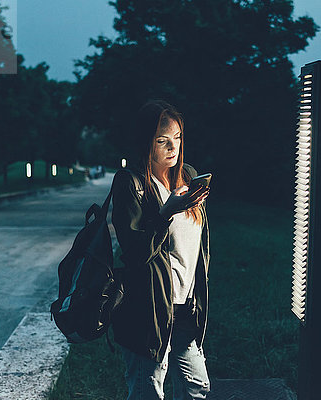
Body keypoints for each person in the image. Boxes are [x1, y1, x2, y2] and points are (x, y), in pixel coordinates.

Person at [111, 100, 211, 400]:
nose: (173, 147)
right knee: (148, 390)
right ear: (146, 142)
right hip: (147, 309)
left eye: (178, 137)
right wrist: (166, 213)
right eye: (162, 140)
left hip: (184, 306)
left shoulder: (187, 175)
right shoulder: (131, 183)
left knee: (197, 388)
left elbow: (198, 246)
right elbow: (134, 252)